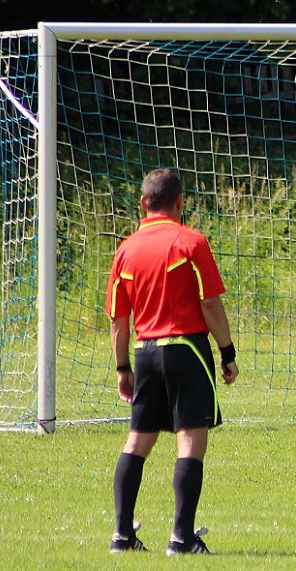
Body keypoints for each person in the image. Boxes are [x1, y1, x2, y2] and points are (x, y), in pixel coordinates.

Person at [105, 168, 239, 555]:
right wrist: (227, 352)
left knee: (137, 442)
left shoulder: (125, 250)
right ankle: (181, 538)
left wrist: (122, 368)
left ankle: (122, 536)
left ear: (143, 204)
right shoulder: (191, 242)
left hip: (146, 353)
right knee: (190, 443)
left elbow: (118, 319)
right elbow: (209, 303)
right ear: (180, 203)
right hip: (186, 351)